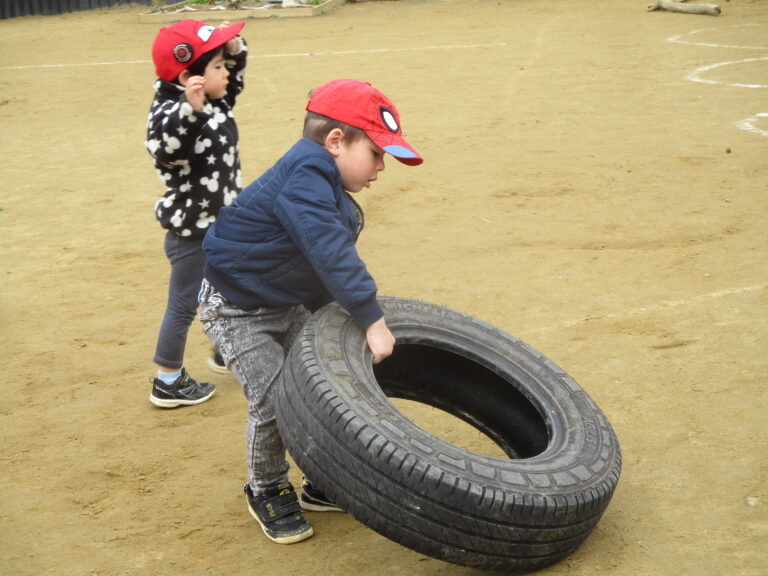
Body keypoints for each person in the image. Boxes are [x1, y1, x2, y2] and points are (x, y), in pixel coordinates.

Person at [199, 79, 423, 544]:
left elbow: (315, 260)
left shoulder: (326, 181)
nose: (382, 166)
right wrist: (370, 318)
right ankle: (266, 487)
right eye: (377, 153)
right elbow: (328, 249)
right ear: (336, 141)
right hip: (237, 311)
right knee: (276, 397)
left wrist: (337, 318)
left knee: (321, 387)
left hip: (288, 301)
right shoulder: (305, 171)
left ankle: (322, 480)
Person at [145, 19, 247, 408]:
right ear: (191, 79)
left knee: (237, 290)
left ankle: (228, 351)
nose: (227, 71)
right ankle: (167, 381)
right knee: (184, 305)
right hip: (193, 234)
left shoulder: (216, 99)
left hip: (224, 226)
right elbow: (167, 146)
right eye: (218, 65)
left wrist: (235, 48)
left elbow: (231, 81)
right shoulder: (173, 112)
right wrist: (190, 109)